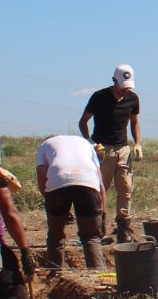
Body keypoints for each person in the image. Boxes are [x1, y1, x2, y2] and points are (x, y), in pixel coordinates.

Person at [78, 64, 142, 241]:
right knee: (100, 190)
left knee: (125, 189)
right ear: (114, 80)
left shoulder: (133, 99)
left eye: (127, 87)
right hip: (103, 150)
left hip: (123, 149)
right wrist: (91, 142)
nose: (124, 91)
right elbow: (83, 122)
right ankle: (97, 229)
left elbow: (134, 122)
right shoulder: (99, 97)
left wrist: (137, 143)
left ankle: (123, 228)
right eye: (122, 87)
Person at [36, 133, 106, 271]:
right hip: (88, 183)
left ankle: (56, 274)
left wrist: (52, 203)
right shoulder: (86, 144)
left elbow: (42, 178)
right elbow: (100, 184)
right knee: (91, 237)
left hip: (57, 184)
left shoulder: (45, 145)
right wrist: (103, 213)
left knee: (55, 237)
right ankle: (98, 277)